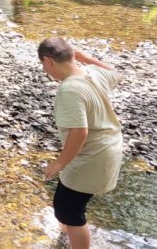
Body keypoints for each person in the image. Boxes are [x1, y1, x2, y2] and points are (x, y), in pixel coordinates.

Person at [38, 37, 123, 249]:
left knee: (70, 212)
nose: (45, 71)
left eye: (43, 65)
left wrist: (60, 162)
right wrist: (87, 58)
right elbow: (116, 73)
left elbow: (79, 132)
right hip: (109, 147)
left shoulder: (69, 90)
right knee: (66, 204)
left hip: (91, 156)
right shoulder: (92, 73)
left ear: (48, 61)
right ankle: (66, 235)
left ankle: (74, 237)